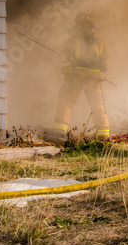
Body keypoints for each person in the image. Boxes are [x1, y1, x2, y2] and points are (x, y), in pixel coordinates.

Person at [45, 13, 110, 146]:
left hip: (77, 76)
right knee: (97, 104)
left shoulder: (74, 39)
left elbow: (63, 57)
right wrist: (102, 67)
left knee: (66, 100)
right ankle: (103, 134)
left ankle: (59, 130)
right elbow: (105, 61)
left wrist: (61, 56)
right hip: (94, 78)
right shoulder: (99, 41)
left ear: (78, 25)